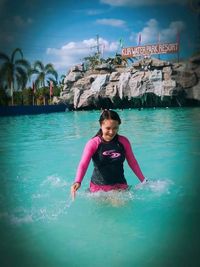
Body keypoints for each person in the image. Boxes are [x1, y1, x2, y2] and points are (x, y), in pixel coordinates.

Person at [71, 109, 147, 198]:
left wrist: (143, 180)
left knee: (121, 207)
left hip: (120, 186)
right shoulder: (93, 143)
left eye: (115, 128)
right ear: (101, 125)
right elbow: (83, 164)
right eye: (108, 128)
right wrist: (77, 181)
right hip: (98, 189)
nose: (111, 132)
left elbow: (132, 162)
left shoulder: (124, 142)